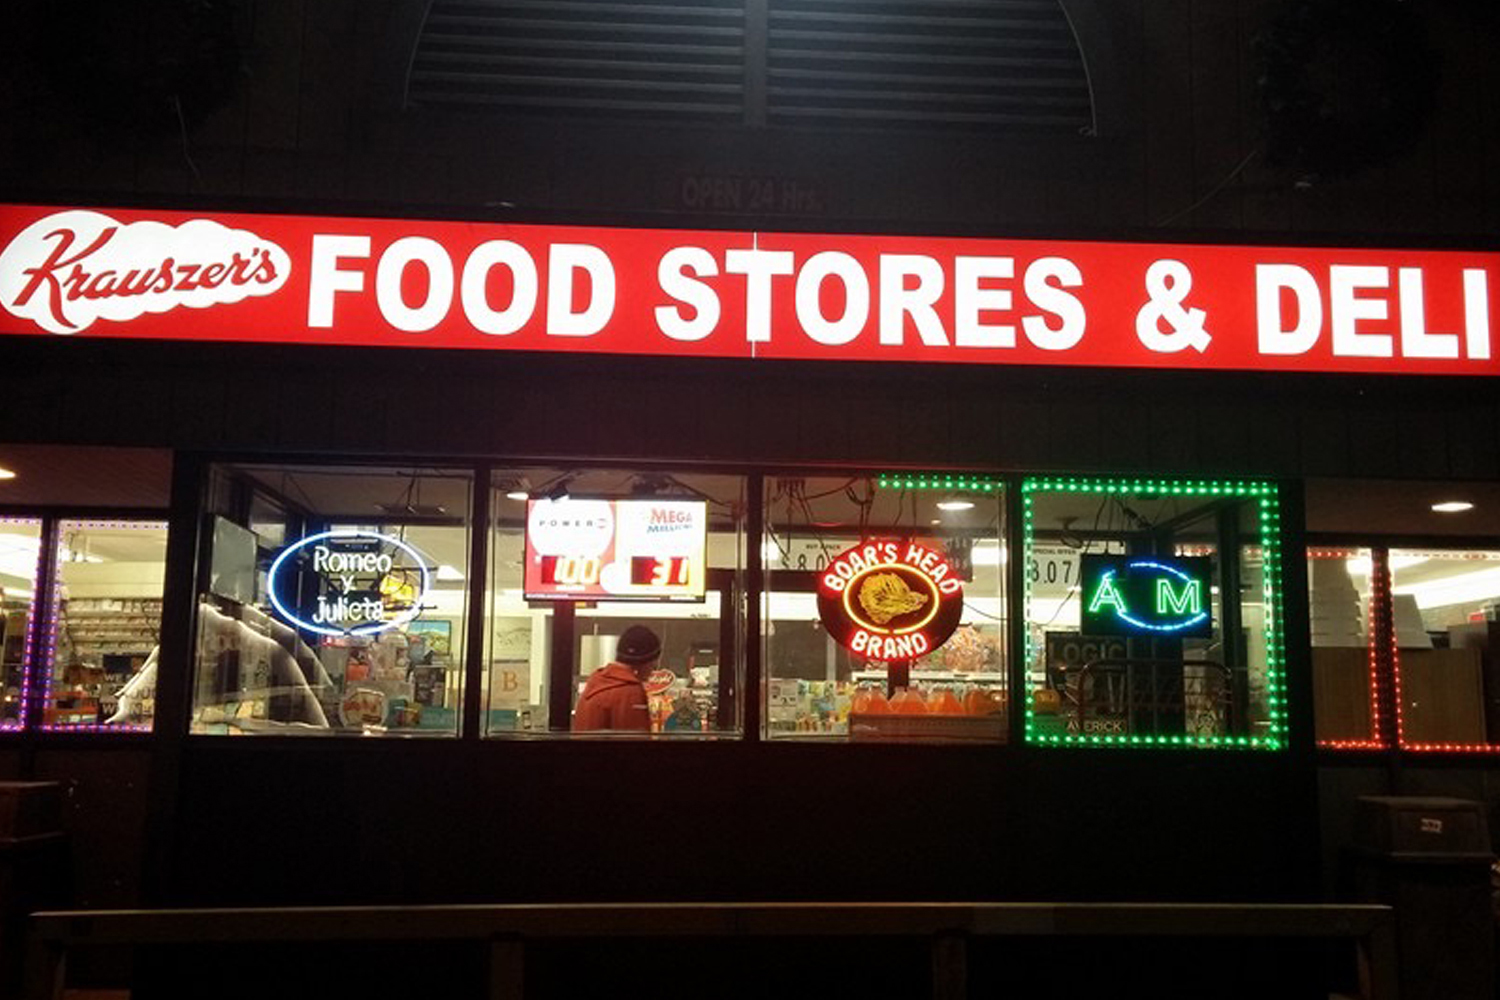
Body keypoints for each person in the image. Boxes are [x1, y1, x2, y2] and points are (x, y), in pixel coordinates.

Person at [571, 625, 660, 732]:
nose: (653, 669)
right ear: (645, 662)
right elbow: (634, 739)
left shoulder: (596, 683)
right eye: (654, 663)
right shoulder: (630, 692)